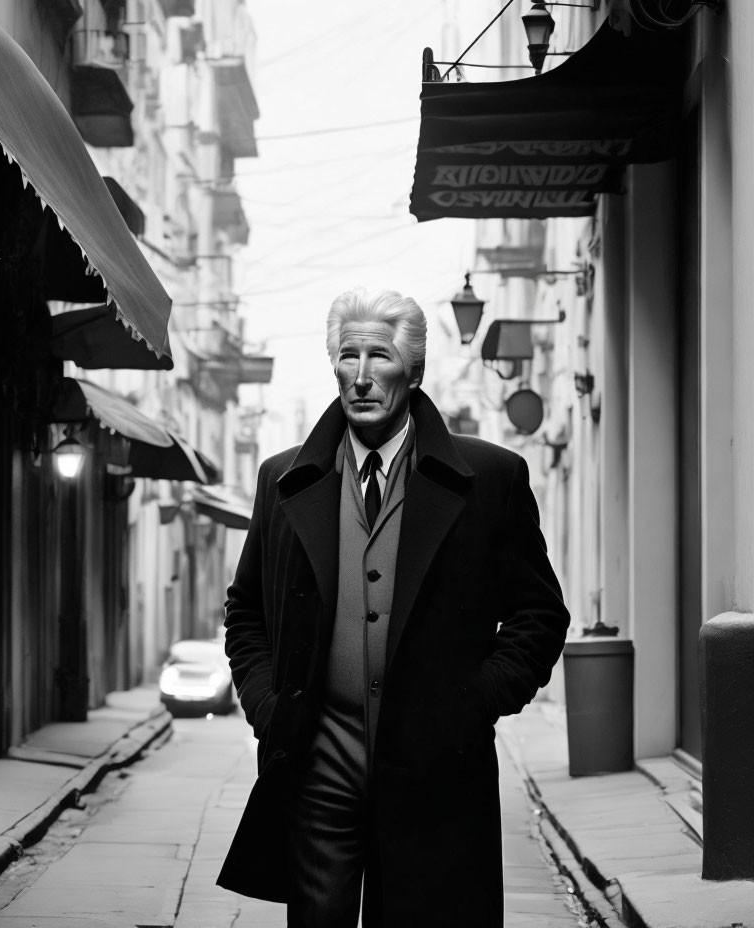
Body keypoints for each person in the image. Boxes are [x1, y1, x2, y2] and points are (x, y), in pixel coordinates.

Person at [217, 287, 570, 927]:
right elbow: (245, 614)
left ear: (413, 370)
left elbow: (539, 616)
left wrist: (474, 702)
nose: (361, 376)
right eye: (347, 356)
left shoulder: (489, 478)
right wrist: (271, 710)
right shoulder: (284, 480)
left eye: (379, 356)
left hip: (438, 766)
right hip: (320, 762)